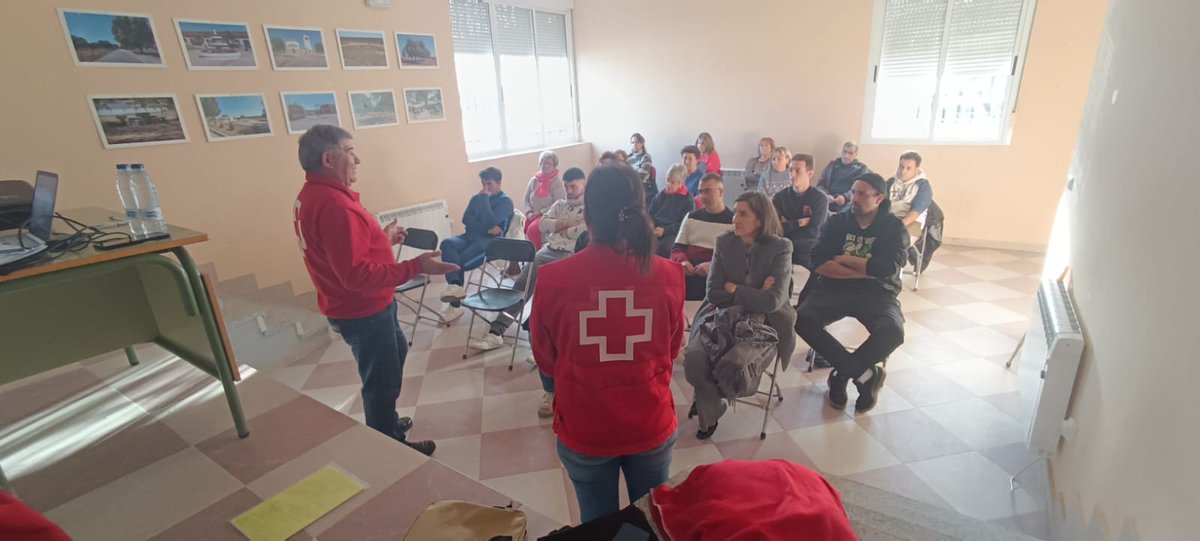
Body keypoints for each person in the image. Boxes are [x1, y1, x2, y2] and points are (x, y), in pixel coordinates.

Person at [530, 164, 685, 523]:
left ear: (586, 215)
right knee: (650, 525)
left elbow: (545, 360)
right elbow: (671, 349)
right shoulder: (669, 276)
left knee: (597, 526)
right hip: (650, 421)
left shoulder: (553, 279)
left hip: (585, 427)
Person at [292, 125, 456, 456]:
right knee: (381, 381)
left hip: (364, 304)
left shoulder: (313, 196)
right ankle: (389, 446)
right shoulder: (335, 206)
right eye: (350, 151)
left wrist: (381, 237)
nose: (358, 159)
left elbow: (341, 251)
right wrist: (416, 267)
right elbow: (354, 274)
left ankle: (388, 421)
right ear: (329, 158)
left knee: (393, 357)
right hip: (362, 309)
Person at [471, 168, 588, 415]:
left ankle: (546, 344)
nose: (569, 190)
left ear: (583, 185)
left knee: (551, 302)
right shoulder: (559, 204)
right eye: (567, 186)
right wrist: (565, 224)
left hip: (569, 256)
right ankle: (497, 330)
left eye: (574, 186)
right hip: (546, 253)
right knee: (521, 286)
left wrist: (562, 227)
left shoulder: (589, 209)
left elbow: (583, 232)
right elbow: (543, 225)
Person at [684, 191, 794, 440]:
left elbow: (773, 301)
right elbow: (713, 293)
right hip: (719, 314)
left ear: (761, 219)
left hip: (763, 322)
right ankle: (712, 405)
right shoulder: (724, 242)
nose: (735, 218)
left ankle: (706, 398)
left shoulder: (780, 247)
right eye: (735, 212)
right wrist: (754, 292)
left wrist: (734, 288)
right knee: (694, 359)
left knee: (735, 367)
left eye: (743, 213)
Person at [794, 173, 908, 414]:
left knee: (893, 331)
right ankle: (866, 374)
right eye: (853, 192)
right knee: (801, 320)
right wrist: (867, 270)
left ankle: (840, 374)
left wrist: (844, 259)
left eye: (862, 194)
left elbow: (888, 267)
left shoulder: (893, 227)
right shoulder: (837, 223)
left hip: (878, 293)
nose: (854, 198)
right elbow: (819, 261)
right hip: (833, 289)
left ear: (879, 199)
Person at [439, 167, 515, 321]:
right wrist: (487, 227)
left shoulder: (505, 201)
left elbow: (490, 222)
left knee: (458, 262)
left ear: (499, 183)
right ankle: (455, 286)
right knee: (447, 244)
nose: (485, 188)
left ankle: (455, 305)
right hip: (469, 236)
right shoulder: (477, 197)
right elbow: (466, 219)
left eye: (489, 184)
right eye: (483, 184)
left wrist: (484, 202)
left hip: (489, 244)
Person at [671, 173, 734, 300]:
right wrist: (683, 261)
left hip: (716, 275)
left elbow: (736, 257)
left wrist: (713, 267)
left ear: (720, 192)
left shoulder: (733, 221)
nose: (703, 196)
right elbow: (677, 248)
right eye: (701, 192)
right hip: (689, 271)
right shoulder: (691, 217)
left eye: (708, 191)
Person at [772, 153, 829, 270]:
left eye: (797, 171)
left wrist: (788, 224)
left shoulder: (820, 199)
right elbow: (775, 229)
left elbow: (814, 232)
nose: (792, 174)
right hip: (782, 247)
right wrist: (800, 223)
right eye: (791, 170)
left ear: (810, 174)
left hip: (806, 250)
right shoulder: (779, 197)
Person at [886, 150, 934, 245]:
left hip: (912, 222)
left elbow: (915, 213)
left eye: (908, 168)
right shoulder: (890, 182)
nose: (903, 171)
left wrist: (897, 227)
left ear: (916, 169)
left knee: (897, 241)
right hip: (889, 218)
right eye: (901, 166)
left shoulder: (923, 186)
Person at [647, 164, 694, 258]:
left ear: (681, 183)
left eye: (672, 182)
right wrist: (651, 224)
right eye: (667, 180)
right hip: (656, 229)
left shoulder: (687, 199)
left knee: (663, 247)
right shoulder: (661, 195)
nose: (668, 184)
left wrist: (665, 231)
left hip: (673, 232)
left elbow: (684, 224)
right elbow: (650, 213)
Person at [523, 150, 565, 250]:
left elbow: (558, 203)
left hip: (547, 215)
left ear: (554, 166)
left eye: (548, 163)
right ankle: (530, 255)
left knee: (532, 231)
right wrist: (528, 211)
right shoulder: (534, 179)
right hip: (532, 214)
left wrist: (539, 213)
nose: (544, 165)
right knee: (524, 229)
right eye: (542, 162)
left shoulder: (556, 182)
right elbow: (526, 198)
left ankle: (537, 256)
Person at [817, 141, 871, 214]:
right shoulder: (831, 165)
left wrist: (845, 197)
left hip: (849, 202)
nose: (846, 156)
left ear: (855, 155)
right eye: (844, 152)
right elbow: (820, 185)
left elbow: (861, 189)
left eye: (850, 153)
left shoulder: (861, 169)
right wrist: (826, 195)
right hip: (829, 200)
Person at [627, 132, 655, 202]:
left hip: (642, 185)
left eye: (637, 142)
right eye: (632, 142)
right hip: (630, 184)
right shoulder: (628, 157)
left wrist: (630, 175)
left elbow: (641, 175)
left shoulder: (646, 157)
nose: (634, 144)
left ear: (642, 143)